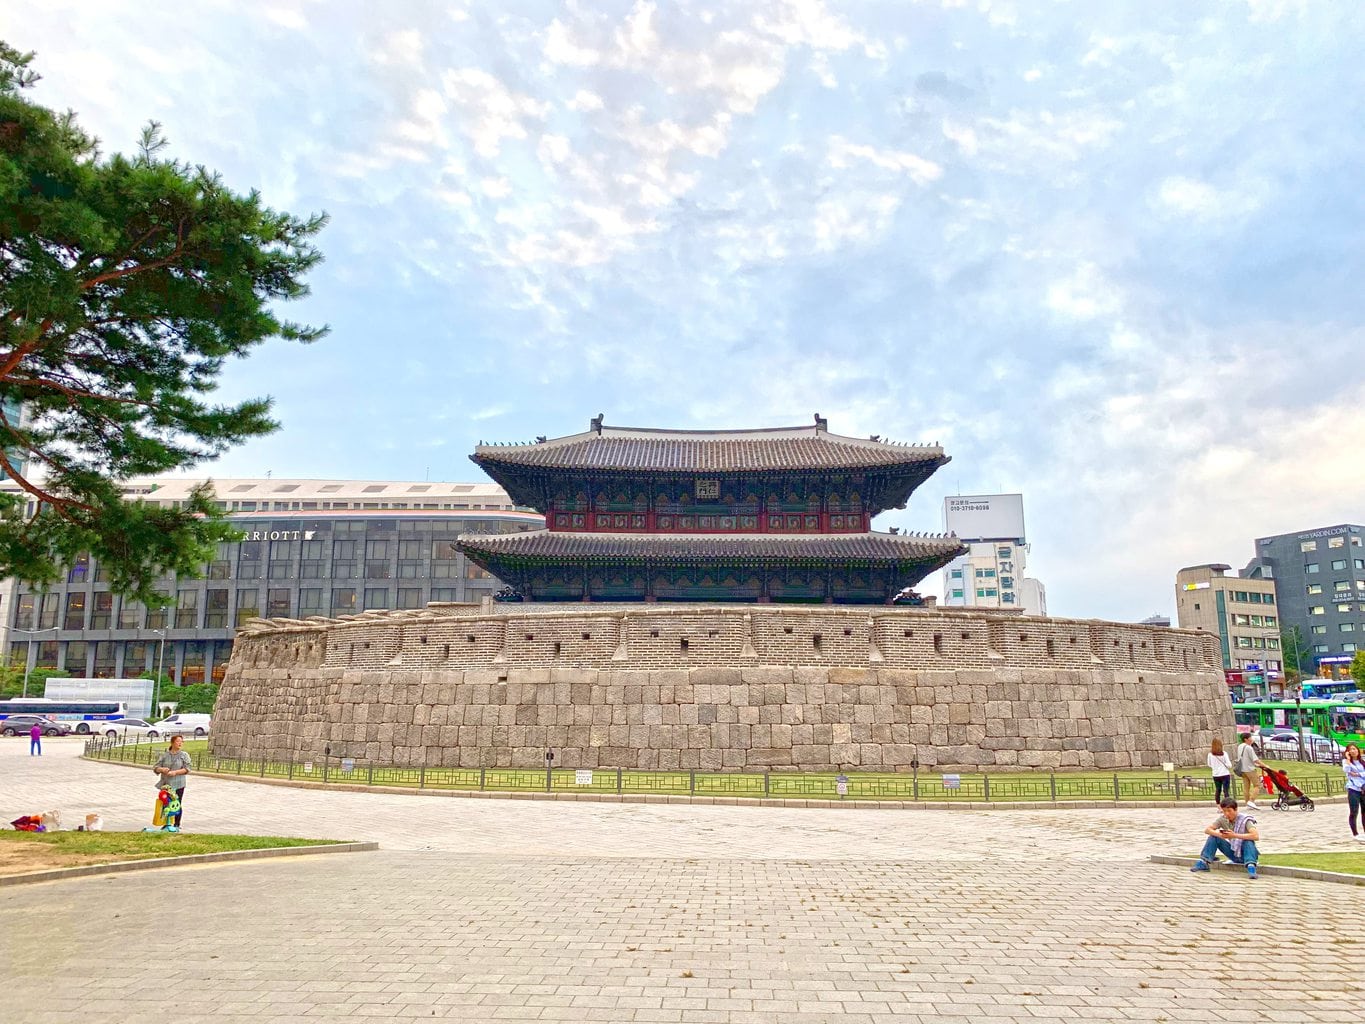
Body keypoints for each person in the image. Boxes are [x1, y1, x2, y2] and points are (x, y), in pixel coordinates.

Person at [1191, 798, 1260, 879]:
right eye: (1224, 811)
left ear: (1236, 809)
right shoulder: (1223, 819)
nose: (1227, 813)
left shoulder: (1245, 820)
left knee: (1248, 841)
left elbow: (1255, 836)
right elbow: (1207, 830)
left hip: (1247, 853)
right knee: (1213, 836)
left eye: (1229, 811)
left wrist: (1234, 835)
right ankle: (1204, 862)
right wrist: (1221, 835)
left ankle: (1251, 867)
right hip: (1234, 853)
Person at [152, 734, 192, 831]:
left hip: (179, 783)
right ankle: (166, 823)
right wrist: (162, 769)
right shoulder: (165, 755)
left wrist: (175, 772)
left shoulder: (184, 755)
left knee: (176, 803)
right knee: (166, 803)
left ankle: (176, 824)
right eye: (178, 741)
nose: (180, 743)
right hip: (166, 784)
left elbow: (188, 769)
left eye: (181, 741)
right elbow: (155, 768)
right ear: (172, 742)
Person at [1235, 733, 1265, 809]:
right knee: (1257, 785)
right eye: (1250, 738)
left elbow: (1245, 759)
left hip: (1242, 769)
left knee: (1246, 787)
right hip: (1250, 769)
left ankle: (1247, 803)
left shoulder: (1240, 746)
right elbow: (1255, 759)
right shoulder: (1249, 748)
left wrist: (1256, 765)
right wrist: (1264, 765)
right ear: (1246, 739)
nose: (1252, 739)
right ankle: (1251, 801)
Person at [1342, 743, 1365, 842]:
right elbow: (1346, 770)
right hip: (1353, 789)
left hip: (1363, 789)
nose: (1352, 751)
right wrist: (1347, 759)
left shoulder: (1362, 762)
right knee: (1354, 811)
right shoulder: (1346, 762)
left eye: (1354, 749)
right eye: (1350, 749)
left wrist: (1358, 774)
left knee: (1364, 812)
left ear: (1357, 750)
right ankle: (1355, 833)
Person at [1207, 738, 1233, 804]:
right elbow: (1229, 765)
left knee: (1218, 790)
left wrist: (1215, 766)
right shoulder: (1224, 753)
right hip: (1225, 774)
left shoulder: (1210, 754)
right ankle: (1227, 804)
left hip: (1216, 775)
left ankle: (1219, 806)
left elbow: (1209, 764)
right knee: (1226, 790)